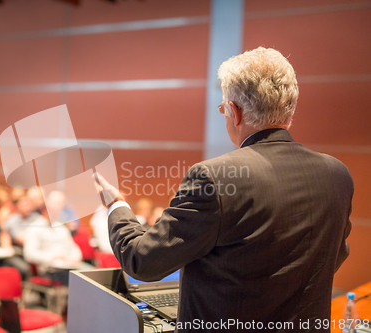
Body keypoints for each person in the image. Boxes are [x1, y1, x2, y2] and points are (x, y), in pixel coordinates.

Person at [95, 47, 353, 332]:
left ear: (233, 111)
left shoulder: (214, 177)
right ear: (289, 110)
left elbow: (141, 261)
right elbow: (335, 254)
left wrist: (116, 204)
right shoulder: (337, 174)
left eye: (223, 109)